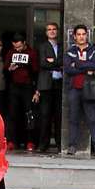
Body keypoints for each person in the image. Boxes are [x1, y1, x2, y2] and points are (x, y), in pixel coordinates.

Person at [63, 25, 95, 156]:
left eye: (83, 34)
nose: (81, 36)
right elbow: (68, 69)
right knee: (73, 118)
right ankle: (72, 146)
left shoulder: (94, 50)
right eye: (78, 34)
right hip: (74, 88)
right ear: (74, 36)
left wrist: (77, 64)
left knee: (92, 119)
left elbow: (94, 65)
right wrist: (86, 67)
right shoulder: (69, 51)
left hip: (89, 88)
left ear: (87, 35)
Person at [5, 34, 38, 151]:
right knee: (13, 114)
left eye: (19, 47)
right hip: (14, 86)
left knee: (29, 114)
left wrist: (36, 90)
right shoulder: (10, 52)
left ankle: (30, 141)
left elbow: (36, 71)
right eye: (15, 47)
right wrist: (10, 69)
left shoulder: (32, 53)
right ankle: (12, 141)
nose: (17, 49)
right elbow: (5, 69)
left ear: (24, 43)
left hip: (27, 87)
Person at [34, 22, 63, 154]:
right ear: (46, 33)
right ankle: (43, 145)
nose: (51, 31)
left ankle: (59, 144)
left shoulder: (62, 46)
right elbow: (43, 63)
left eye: (54, 29)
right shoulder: (42, 46)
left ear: (57, 31)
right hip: (46, 85)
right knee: (45, 116)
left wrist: (53, 62)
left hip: (59, 84)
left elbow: (65, 63)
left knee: (59, 116)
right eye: (49, 29)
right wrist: (57, 64)